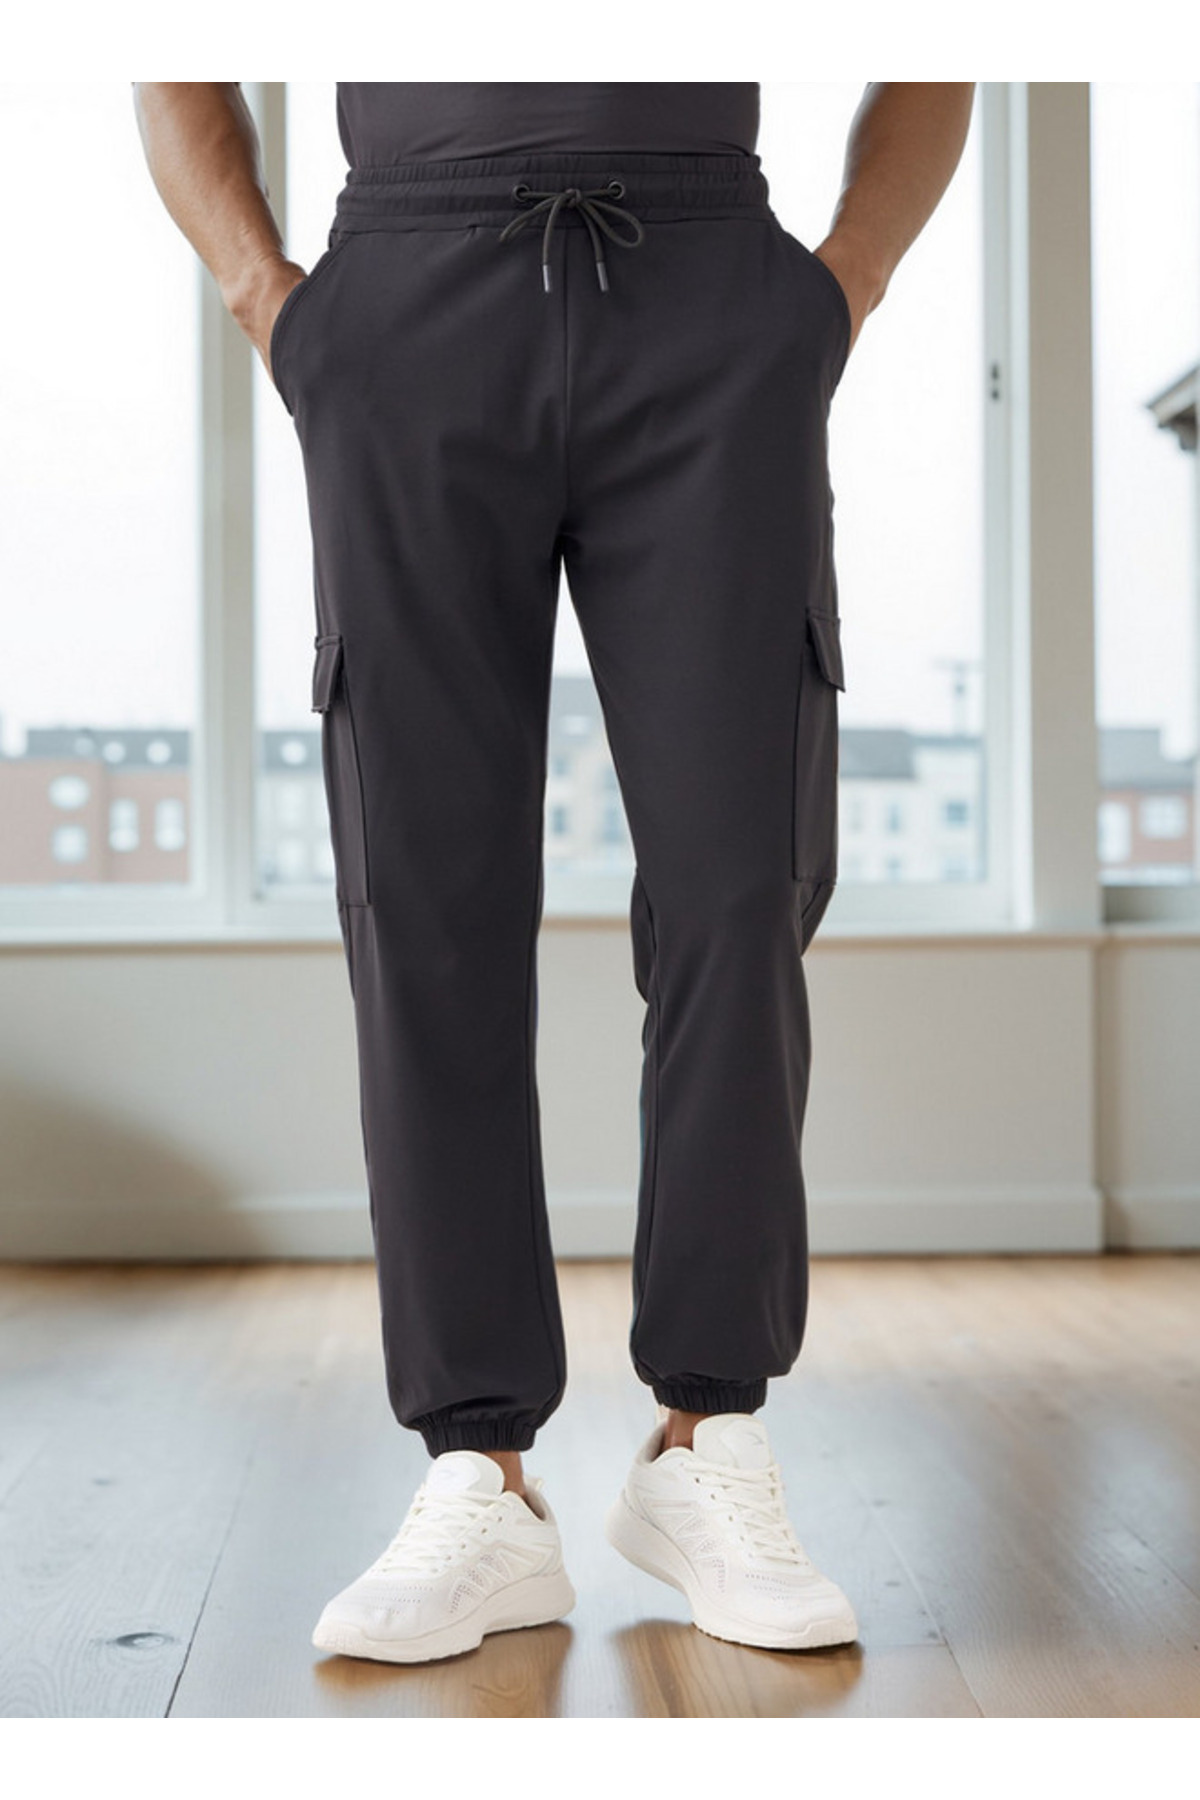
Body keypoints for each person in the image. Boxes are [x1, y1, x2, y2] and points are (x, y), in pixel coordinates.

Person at [133, 80, 975, 1665]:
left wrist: (841, 282)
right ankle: (481, 1475)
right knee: (425, 907)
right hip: (406, 299)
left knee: (739, 886)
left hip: (713, 295)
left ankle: (706, 1440)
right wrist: (266, 293)